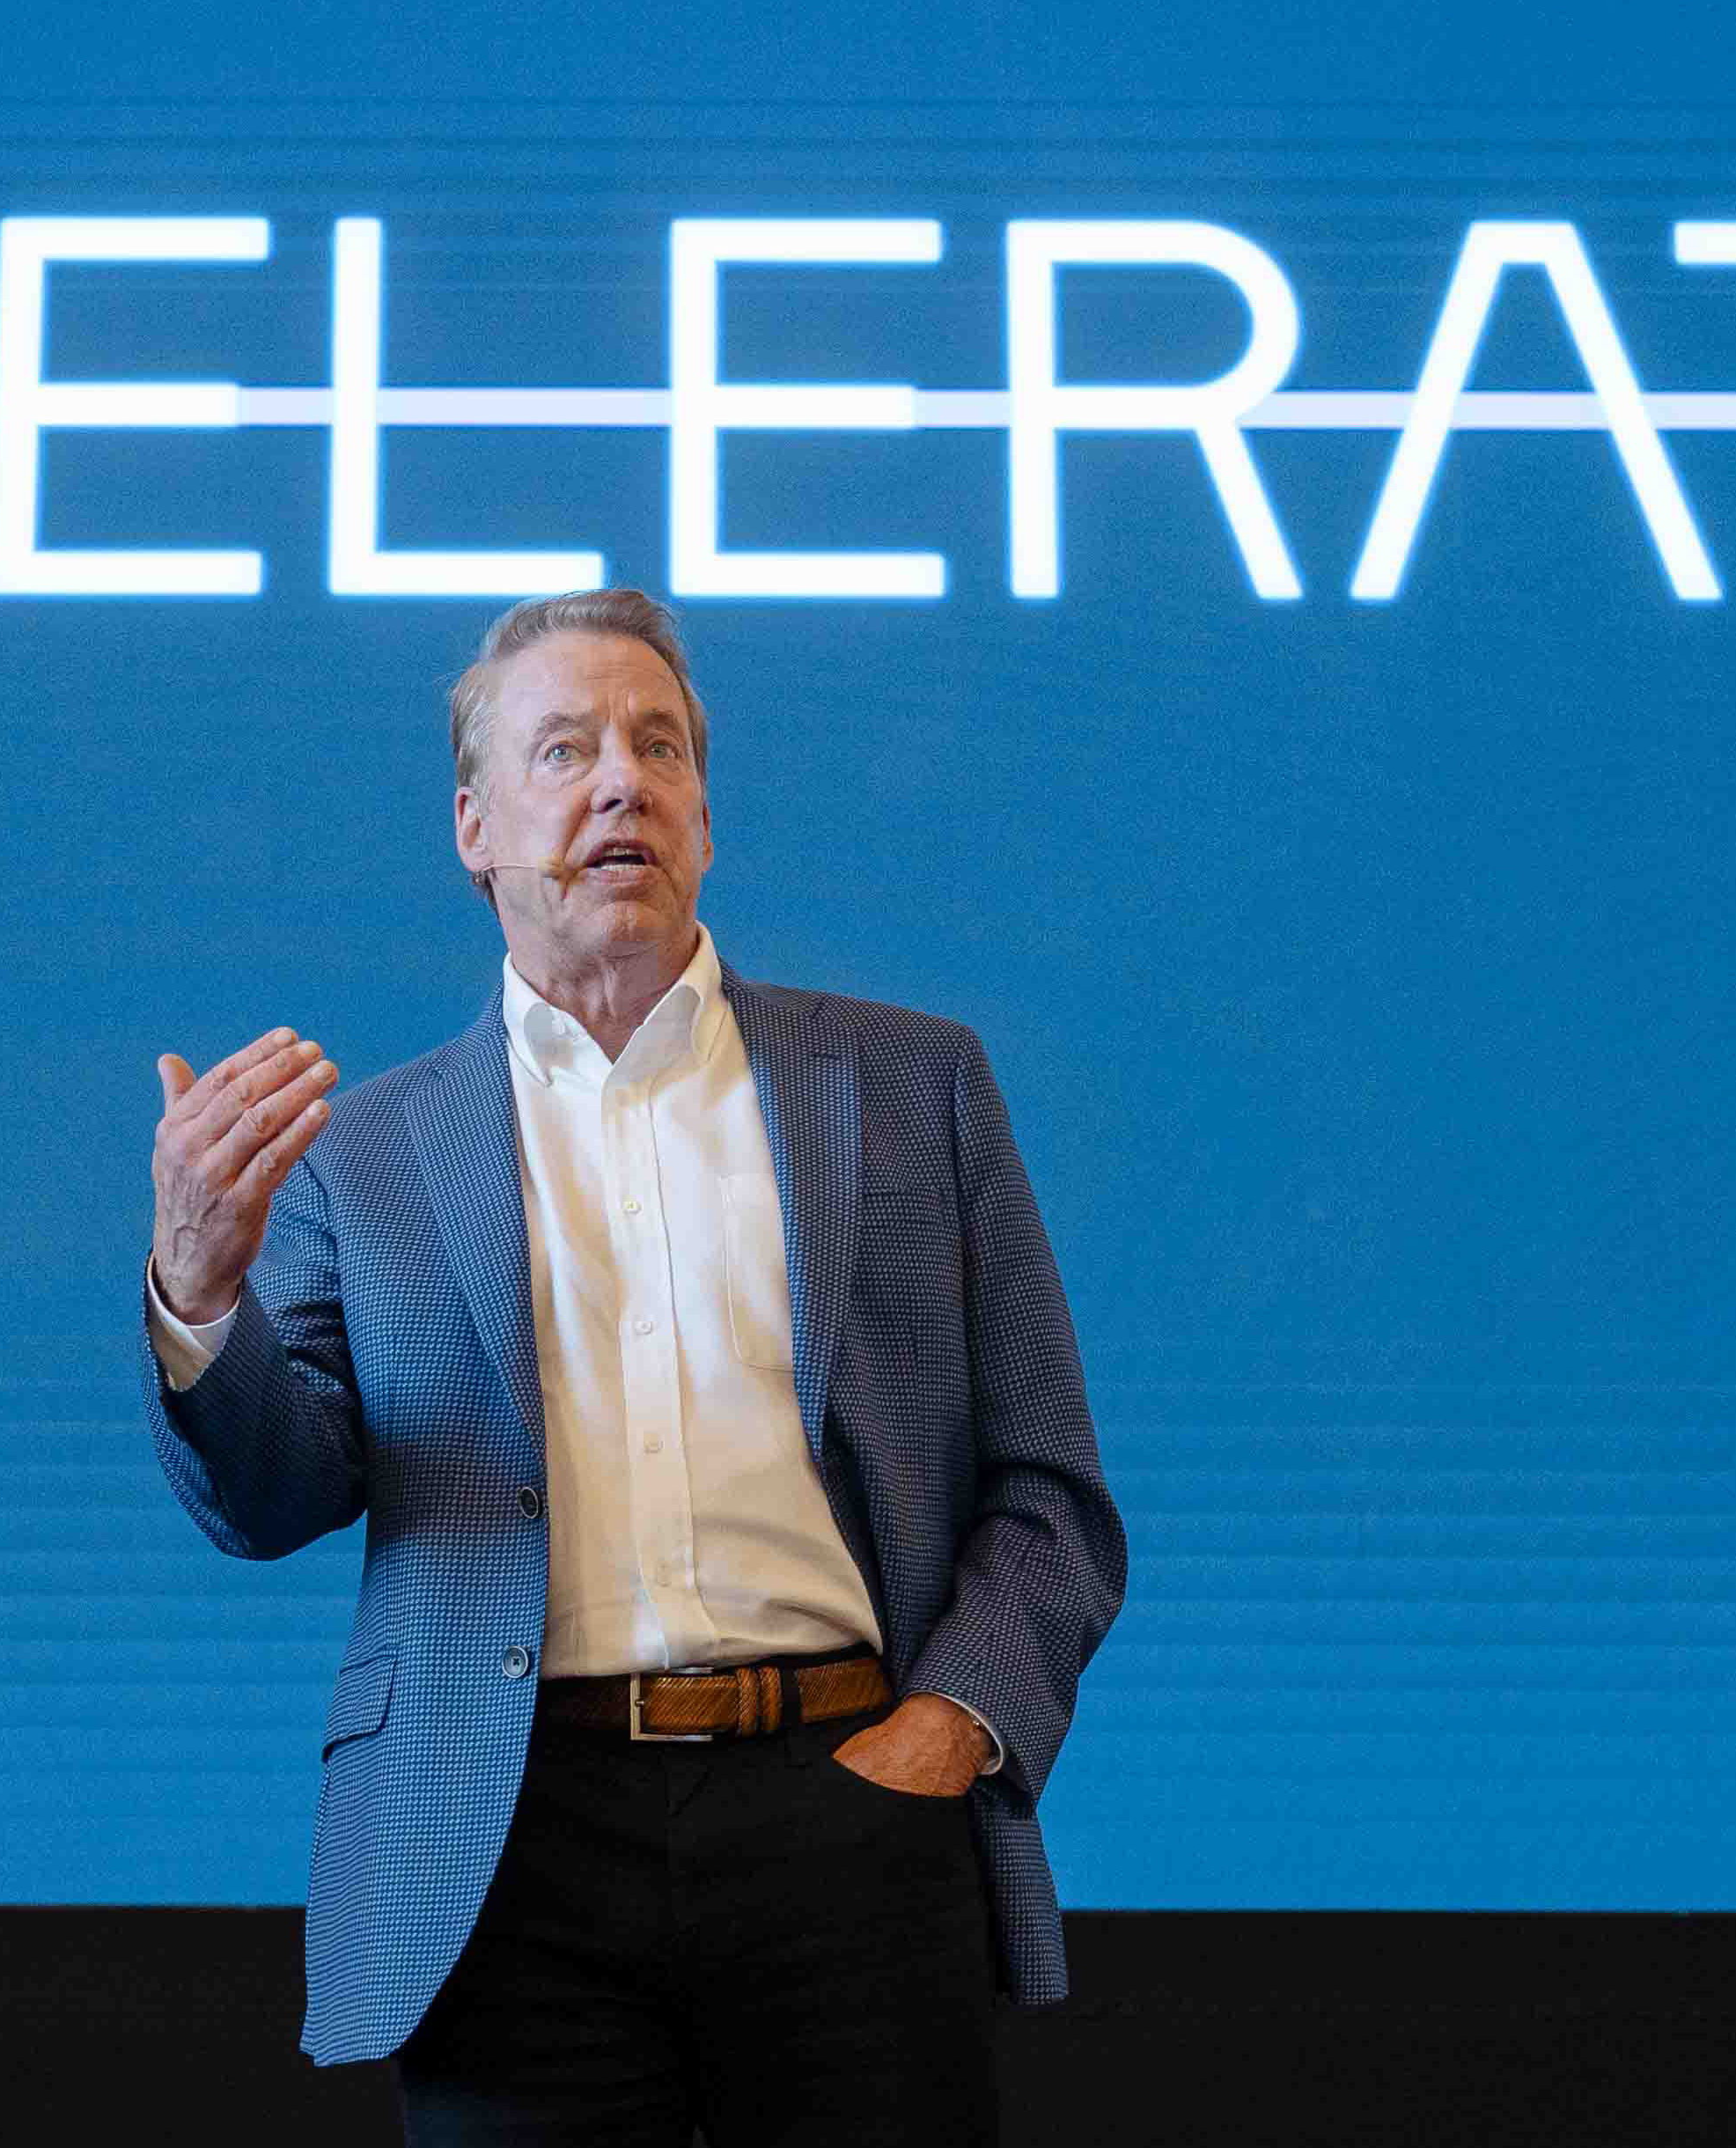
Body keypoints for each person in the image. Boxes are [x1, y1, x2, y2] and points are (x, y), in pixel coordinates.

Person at [140, 585, 1125, 2145]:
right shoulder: (373, 1153)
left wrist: (943, 1735)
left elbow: (1049, 1494)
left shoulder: (911, 1083)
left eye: (658, 746)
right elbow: (277, 1494)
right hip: (511, 1837)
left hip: (851, 1808)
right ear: (474, 826)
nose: (622, 782)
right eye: (567, 748)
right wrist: (197, 1291)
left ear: (706, 819)